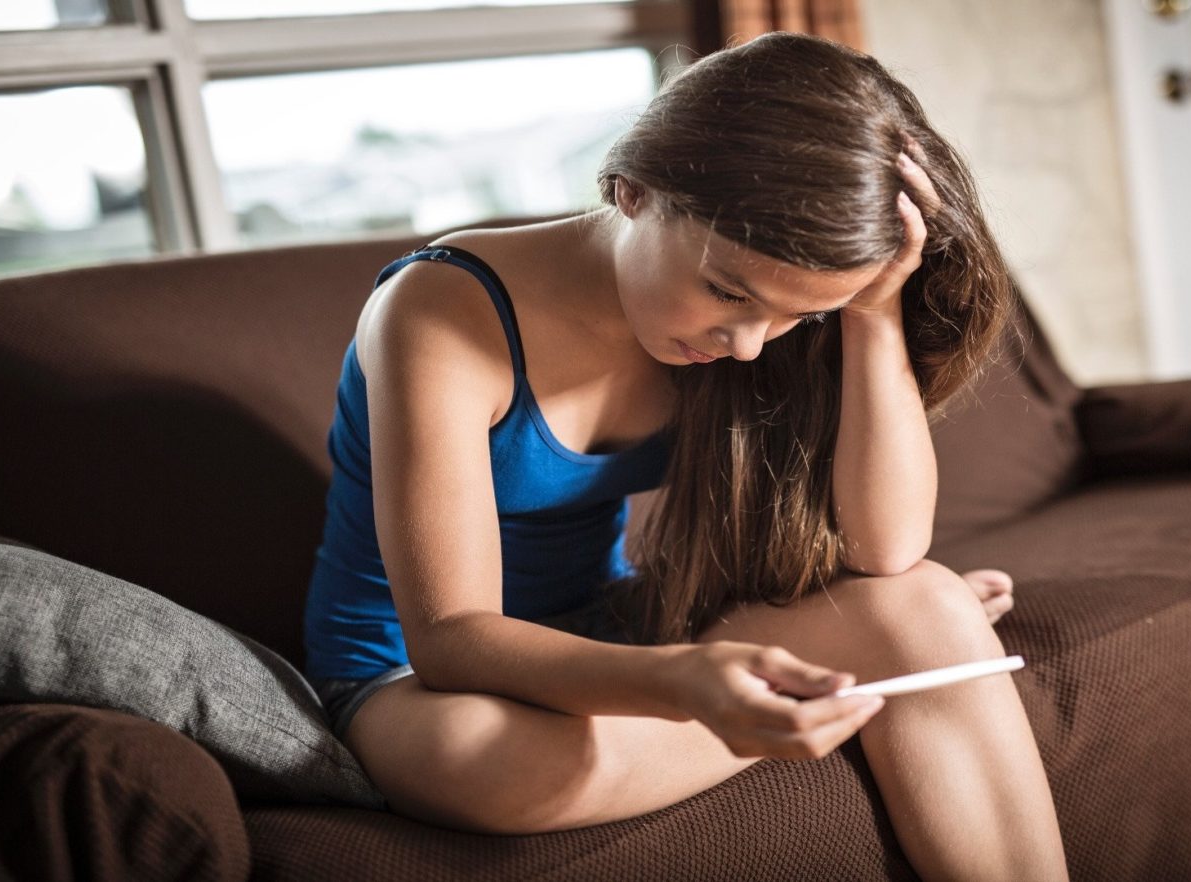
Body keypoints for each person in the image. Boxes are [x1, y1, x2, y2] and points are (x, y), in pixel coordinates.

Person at [302, 30, 1069, 882]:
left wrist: (869, 312)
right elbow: (451, 639)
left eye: (796, 316)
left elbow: (883, 550)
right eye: (729, 293)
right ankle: (863, 671)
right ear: (631, 189)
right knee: (488, 762)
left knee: (919, 601)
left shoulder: (753, 327)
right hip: (413, 677)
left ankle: (873, 662)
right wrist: (684, 683)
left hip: (617, 625)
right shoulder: (439, 312)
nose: (747, 347)